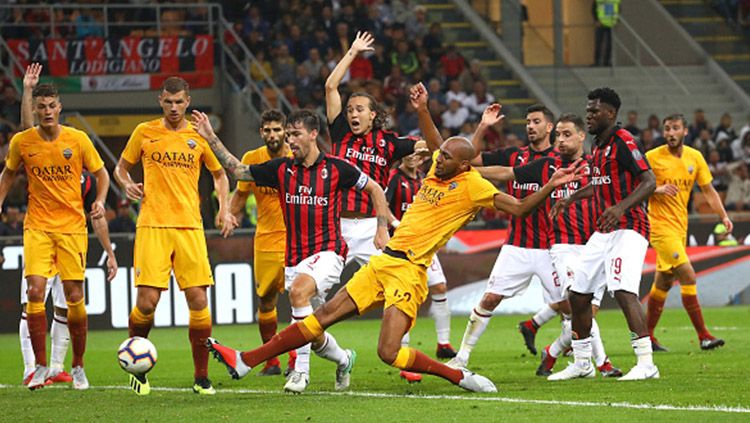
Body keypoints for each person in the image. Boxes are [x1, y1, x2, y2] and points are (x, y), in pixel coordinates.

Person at [203, 97, 585, 393]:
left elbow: (517, 207)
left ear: (462, 166)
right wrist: (421, 110)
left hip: (410, 270)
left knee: (388, 353)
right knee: (321, 317)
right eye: (441, 155)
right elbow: (440, 143)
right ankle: (246, 360)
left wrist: (550, 187)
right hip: (383, 261)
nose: (437, 159)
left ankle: (456, 374)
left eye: (447, 157)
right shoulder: (439, 170)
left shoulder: (474, 187)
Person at [193, 109, 387, 394]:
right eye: (288, 134)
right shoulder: (281, 169)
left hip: (329, 252)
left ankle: (300, 372)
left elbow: (375, 190)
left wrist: (381, 228)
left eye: (295, 134)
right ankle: (344, 359)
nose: (289, 139)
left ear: (312, 134)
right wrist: (210, 137)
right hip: (295, 258)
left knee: (297, 293)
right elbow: (238, 170)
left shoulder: (336, 168)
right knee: (313, 331)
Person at [113, 76, 235, 396]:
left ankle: (201, 377)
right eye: (168, 102)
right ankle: (137, 370)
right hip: (153, 225)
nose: (174, 108)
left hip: (189, 226)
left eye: (179, 102)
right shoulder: (144, 131)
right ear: (160, 100)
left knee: (198, 301)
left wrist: (223, 208)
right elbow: (120, 169)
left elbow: (220, 175)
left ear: (188, 100)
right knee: (147, 302)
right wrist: (126, 183)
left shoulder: (199, 135)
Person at [477, 113, 622, 378]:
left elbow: (619, 186)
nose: (561, 140)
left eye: (567, 134)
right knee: (579, 303)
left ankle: (553, 350)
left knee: (585, 314)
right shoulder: (547, 165)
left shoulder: (596, 165)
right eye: (558, 136)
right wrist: (470, 171)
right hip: (562, 246)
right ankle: (602, 363)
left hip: (594, 244)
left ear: (581, 135)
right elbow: (508, 172)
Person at [0, 76, 110, 390]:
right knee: (34, 293)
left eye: (51, 106)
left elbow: (101, 174)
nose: (47, 111)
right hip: (37, 227)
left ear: (59, 108)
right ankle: (39, 367)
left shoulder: (77, 139)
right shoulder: (23, 142)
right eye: (41, 107)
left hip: (73, 229)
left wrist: (100, 201)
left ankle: (77, 366)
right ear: (34, 110)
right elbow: (8, 174)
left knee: (74, 298)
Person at [548, 87, 658, 381]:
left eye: (594, 111)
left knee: (623, 289)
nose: (589, 115)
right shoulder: (598, 146)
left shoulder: (624, 141)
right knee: (578, 294)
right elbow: (598, 185)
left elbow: (649, 181)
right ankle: (583, 362)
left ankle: (646, 363)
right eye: (588, 110)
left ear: (611, 113)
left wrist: (621, 207)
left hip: (630, 227)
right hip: (604, 231)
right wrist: (570, 198)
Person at [449, 102, 560, 368]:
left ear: (549, 126)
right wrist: (483, 127)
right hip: (517, 245)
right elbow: (471, 159)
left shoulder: (561, 161)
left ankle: (578, 356)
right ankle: (461, 356)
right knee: (489, 299)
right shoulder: (514, 155)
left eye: (535, 121)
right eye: (527, 122)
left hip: (552, 248)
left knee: (573, 307)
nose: (530, 127)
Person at [324, 32, 436, 271]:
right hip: (336, 224)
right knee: (315, 287)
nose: (353, 114)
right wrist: (353, 51)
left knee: (394, 278)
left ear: (372, 114)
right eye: (350, 110)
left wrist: (423, 111)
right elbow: (330, 86)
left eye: (360, 109)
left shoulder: (389, 142)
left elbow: (435, 147)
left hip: (371, 226)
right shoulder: (340, 131)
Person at [645, 114, 731, 351]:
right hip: (660, 228)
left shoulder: (695, 157)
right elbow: (634, 186)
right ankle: (703, 335)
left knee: (663, 282)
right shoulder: (652, 157)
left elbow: (709, 190)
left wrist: (722, 215)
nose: (671, 133)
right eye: (667, 129)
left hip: (680, 227)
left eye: (675, 128)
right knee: (688, 275)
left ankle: (646, 337)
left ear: (684, 131)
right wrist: (657, 189)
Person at [227, 109, 296, 377]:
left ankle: (294, 359)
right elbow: (241, 195)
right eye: (267, 130)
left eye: (277, 129)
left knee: (298, 300)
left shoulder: (296, 155)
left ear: (286, 131)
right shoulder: (252, 159)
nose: (272, 135)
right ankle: (271, 361)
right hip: (265, 241)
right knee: (266, 302)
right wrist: (231, 216)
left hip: (295, 240)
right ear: (261, 133)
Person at [385, 151, 457, 383]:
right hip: (401, 246)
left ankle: (444, 343)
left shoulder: (425, 179)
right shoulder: (395, 178)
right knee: (403, 298)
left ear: (422, 158)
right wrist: (396, 223)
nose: (411, 157)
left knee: (440, 287)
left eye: (416, 154)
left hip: (424, 244)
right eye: (407, 153)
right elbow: (382, 205)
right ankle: (403, 356)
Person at [592, 0, 620, 67]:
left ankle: (606, 61)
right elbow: (593, 8)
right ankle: (597, 61)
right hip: (601, 23)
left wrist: (616, 20)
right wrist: (596, 20)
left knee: (609, 43)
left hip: (610, 23)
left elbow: (618, 9)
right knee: (598, 42)